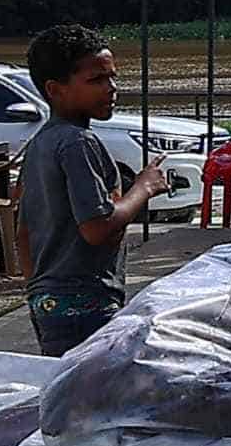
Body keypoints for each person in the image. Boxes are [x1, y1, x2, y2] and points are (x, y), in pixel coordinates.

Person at [17, 21, 160, 357]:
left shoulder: (41, 142)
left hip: (49, 302)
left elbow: (22, 232)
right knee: (96, 401)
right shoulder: (77, 143)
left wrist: (38, 293)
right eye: (96, 80)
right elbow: (97, 228)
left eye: (112, 77)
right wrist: (143, 187)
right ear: (55, 89)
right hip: (87, 305)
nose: (111, 88)